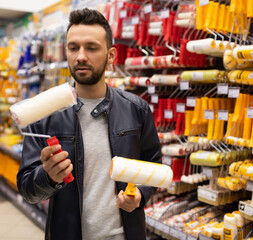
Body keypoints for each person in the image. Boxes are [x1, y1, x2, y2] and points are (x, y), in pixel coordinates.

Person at [17, 8, 162, 240]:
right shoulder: (44, 114)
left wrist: (140, 195)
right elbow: (28, 190)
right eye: (73, 47)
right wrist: (49, 177)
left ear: (111, 56)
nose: (80, 56)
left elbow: (153, 166)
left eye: (91, 48)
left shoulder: (136, 109)